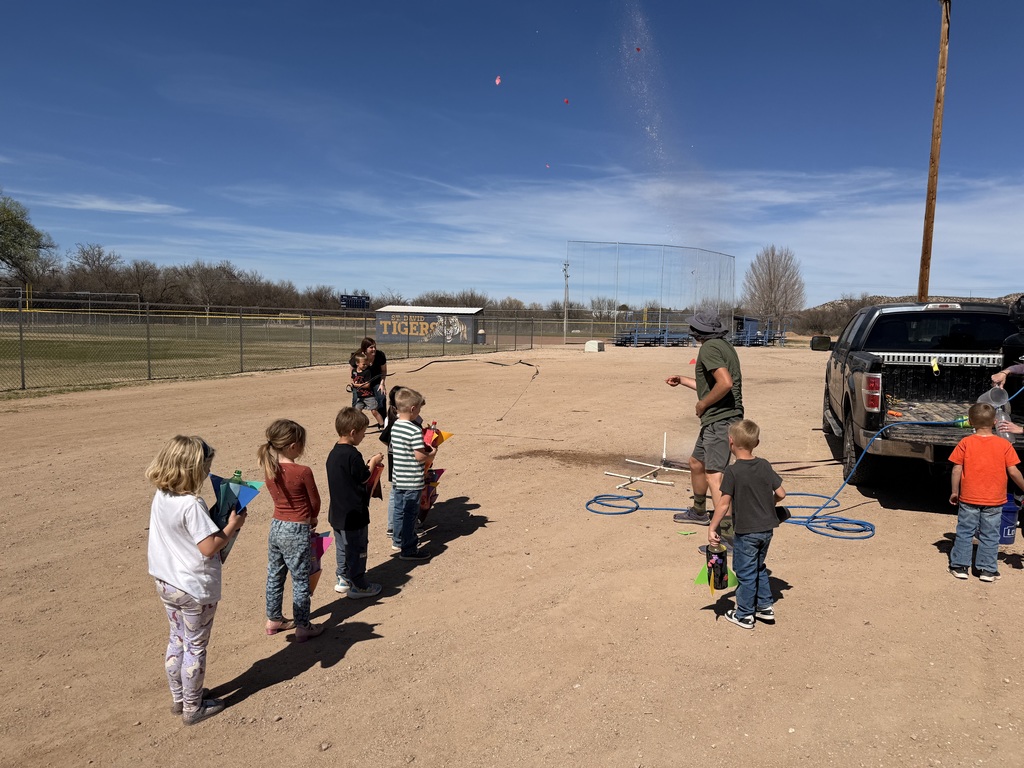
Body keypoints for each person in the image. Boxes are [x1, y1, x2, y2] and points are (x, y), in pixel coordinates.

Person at [147, 435, 247, 725]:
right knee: (195, 645)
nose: (207, 473)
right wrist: (232, 525)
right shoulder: (192, 504)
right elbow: (209, 546)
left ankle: (180, 697)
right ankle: (193, 707)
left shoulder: (162, 495)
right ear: (192, 468)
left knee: (177, 638)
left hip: (166, 581)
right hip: (192, 587)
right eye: (205, 467)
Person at [665, 311, 744, 525]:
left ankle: (726, 532)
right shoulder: (722, 346)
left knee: (714, 475)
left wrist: (703, 404)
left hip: (720, 419)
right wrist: (682, 380)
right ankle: (699, 511)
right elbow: (710, 385)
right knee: (696, 462)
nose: (691, 332)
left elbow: (725, 383)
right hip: (717, 419)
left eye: (694, 329)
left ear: (700, 332)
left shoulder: (709, 348)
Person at [708, 420, 785, 630]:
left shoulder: (732, 472)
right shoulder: (764, 464)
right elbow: (781, 494)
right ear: (756, 443)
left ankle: (744, 614)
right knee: (758, 567)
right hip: (767, 530)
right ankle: (765, 607)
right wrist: (769, 504)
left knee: (744, 571)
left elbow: (723, 504)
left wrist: (713, 527)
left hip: (746, 531)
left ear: (730, 442)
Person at [258, 419, 324, 642]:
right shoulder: (302, 471)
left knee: (275, 574)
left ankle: (273, 618)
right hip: (297, 528)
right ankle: (303, 625)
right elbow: (314, 502)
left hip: (277, 526)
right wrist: (312, 517)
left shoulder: (270, 469)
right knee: (301, 578)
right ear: (293, 446)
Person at [948, 403, 1024, 582]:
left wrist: (954, 491)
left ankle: (960, 566)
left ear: (971, 422)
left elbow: (956, 470)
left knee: (965, 531)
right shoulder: (1004, 444)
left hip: (968, 498)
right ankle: (987, 570)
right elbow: (1013, 471)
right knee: (990, 534)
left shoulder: (965, 443)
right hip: (995, 500)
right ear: (996, 422)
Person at [327, 407, 385, 599]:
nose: (363, 437)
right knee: (358, 548)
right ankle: (358, 584)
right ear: (353, 432)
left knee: (342, 547)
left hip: (338, 513)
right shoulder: (353, 455)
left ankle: (343, 578)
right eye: (362, 433)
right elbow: (364, 477)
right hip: (355, 514)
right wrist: (374, 461)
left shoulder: (333, 454)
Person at [390, 387, 434, 561]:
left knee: (399, 511)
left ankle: (398, 539)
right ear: (413, 409)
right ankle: (408, 548)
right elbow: (420, 457)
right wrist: (432, 453)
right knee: (410, 514)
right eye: (419, 410)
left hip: (398, 478)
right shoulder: (414, 430)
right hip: (412, 480)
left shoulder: (394, 426)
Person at [350, 351, 385, 429]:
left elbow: (367, 385)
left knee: (374, 411)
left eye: (366, 364)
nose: (365, 366)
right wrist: (353, 385)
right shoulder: (354, 372)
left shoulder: (367, 372)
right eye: (363, 364)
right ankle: (356, 426)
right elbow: (353, 380)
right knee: (357, 412)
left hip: (369, 396)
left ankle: (382, 425)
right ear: (357, 363)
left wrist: (356, 385)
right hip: (360, 397)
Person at [361, 337, 389, 424]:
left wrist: (382, 384)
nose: (374, 349)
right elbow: (352, 369)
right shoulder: (359, 357)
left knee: (382, 396)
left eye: (375, 347)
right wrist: (354, 383)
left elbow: (383, 371)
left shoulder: (380, 355)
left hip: (376, 382)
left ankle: (384, 423)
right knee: (356, 403)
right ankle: (355, 423)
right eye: (371, 347)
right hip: (361, 384)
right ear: (365, 349)